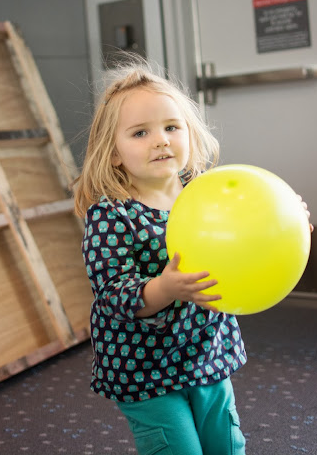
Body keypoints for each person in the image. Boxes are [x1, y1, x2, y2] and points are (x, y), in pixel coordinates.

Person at [73, 57, 250, 455]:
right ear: (113, 152)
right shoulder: (112, 214)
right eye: (140, 132)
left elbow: (249, 232)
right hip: (144, 367)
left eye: (172, 127)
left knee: (226, 444)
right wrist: (164, 288)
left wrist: (291, 222)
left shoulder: (204, 192)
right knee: (178, 449)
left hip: (206, 351)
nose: (161, 140)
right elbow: (113, 294)